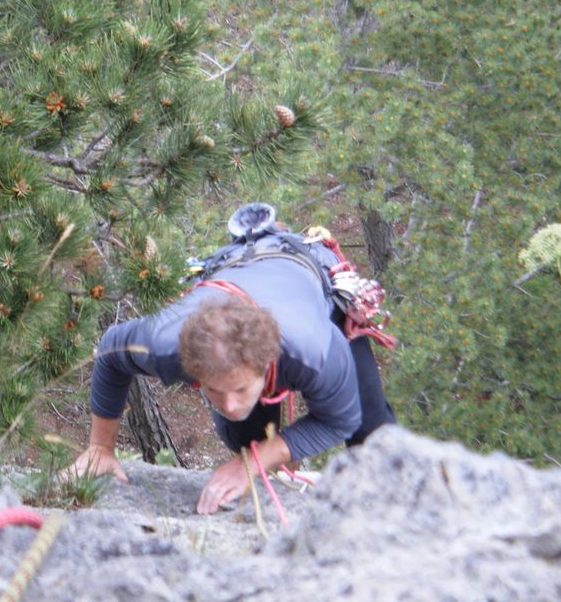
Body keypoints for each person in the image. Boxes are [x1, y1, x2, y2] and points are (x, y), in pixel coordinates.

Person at [69, 206, 397, 514]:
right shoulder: (166, 343)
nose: (229, 404)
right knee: (247, 436)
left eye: (240, 389)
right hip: (235, 270)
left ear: (269, 364)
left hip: (315, 277)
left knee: (372, 436)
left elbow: (340, 420)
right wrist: (100, 448)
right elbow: (111, 354)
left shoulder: (314, 349)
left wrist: (251, 463)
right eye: (214, 390)